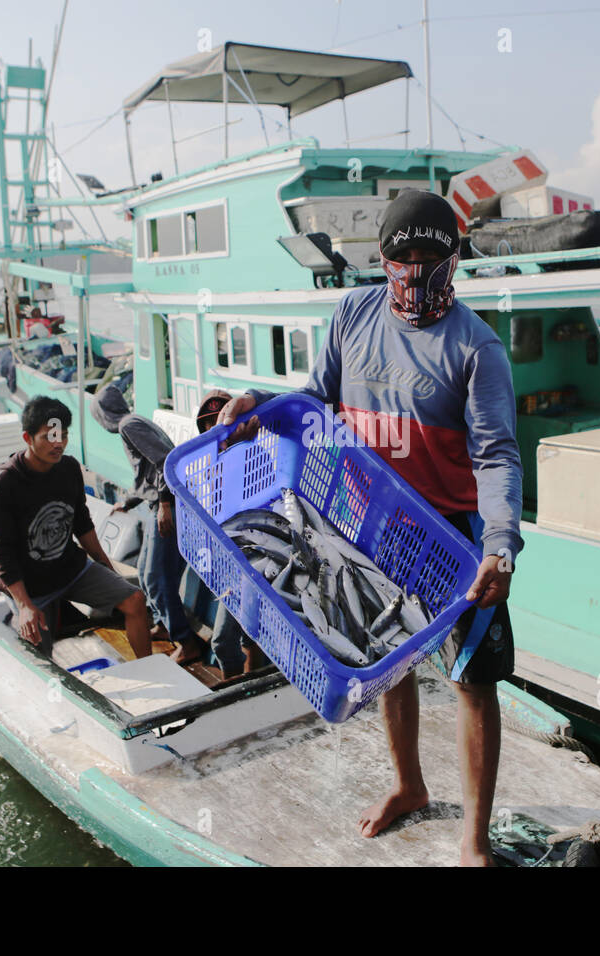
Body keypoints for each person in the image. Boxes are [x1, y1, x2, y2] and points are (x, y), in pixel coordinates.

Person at [217, 189, 523, 866]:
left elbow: (497, 453)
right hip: (369, 524)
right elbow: (317, 396)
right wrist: (259, 408)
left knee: (474, 681)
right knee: (391, 662)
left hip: (452, 537)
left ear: (453, 258)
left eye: (429, 256)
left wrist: (500, 545)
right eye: (400, 255)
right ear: (382, 259)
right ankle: (409, 785)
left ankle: (474, 840)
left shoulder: (477, 347)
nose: (414, 269)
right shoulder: (354, 312)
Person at [0, 395, 153, 659]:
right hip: (28, 586)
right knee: (37, 648)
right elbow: (1, 554)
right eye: (49, 436)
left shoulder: (69, 468)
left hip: (70, 569)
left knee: (134, 600)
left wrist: (107, 568)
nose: (58, 444)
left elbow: (82, 525)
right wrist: (25, 605)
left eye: (63, 435)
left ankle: (150, 666)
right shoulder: (4, 485)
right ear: (27, 439)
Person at [110, 411, 208, 665]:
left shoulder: (127, 425)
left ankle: (186, 642)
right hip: (161, 504)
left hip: (168, 506)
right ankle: (165, 624)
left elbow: (165, 461)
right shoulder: (136, 421)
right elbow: (147, 472)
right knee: (144, 573)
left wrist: (165, 503)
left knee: (156, 577)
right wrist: (129, 502)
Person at [192, 392, 268, 679]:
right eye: (210, 426)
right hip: (229, 561)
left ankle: (240, 692)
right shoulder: (204, 464)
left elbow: (257, 503)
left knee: (224, 642)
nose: (218, 430)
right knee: (246, 635)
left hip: (254, 560)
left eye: (222, 422)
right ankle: (249, 686)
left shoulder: (255, 454)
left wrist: (240, 449)